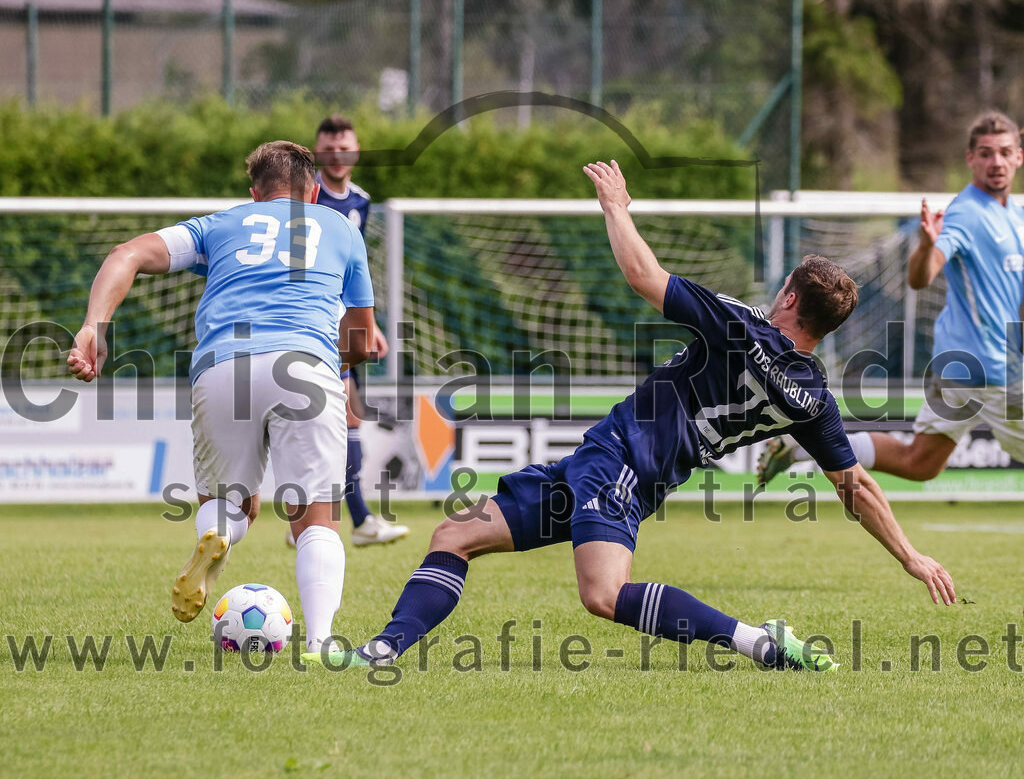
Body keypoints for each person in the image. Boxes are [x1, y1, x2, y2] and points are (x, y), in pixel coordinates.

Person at [302, 160, 956, 673]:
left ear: (788, 296)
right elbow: (855, 485)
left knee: (604, 596)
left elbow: (644, 274)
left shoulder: (739, 329)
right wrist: (910, 555)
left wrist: (615, 207)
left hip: (620, 467)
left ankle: (759, 642)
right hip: (612, 468)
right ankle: (382, 650)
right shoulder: (812, 395)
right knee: (455, 535)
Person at [67, 141, 376, 653]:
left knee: (230, 504)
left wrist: (92, 327)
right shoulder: (342, 227)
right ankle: (321, 643)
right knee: (313, 518)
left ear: (255, 195)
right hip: (305, 363)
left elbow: (127, 254)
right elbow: (363, 340)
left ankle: (221, 535)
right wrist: (336, 364)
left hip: (222, 365)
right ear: (316, 192)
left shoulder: (220, 224)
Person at [759, 110, 1024, 486]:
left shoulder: (1016, 216)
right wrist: (927, 245)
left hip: (960, 364)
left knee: (919, 463)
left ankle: (801, 447)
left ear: (1019, 156)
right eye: (985, 153)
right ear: (970, 159)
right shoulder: (967, 214)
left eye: (1004, 151)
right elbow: (922, 275)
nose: (995, 161)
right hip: (989, 370)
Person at [295, 113, 408, 547]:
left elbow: (355, 269)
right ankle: (353, 520)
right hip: (315, 322)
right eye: (329, 149)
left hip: (345, 323)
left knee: (346, 417)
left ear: (355, 152)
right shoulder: (306, 198)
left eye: (345, 148)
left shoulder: (360, 201)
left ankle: (332, 518)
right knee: (342, 416)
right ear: (317, 152)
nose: (337, 156)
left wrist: (369, 323)